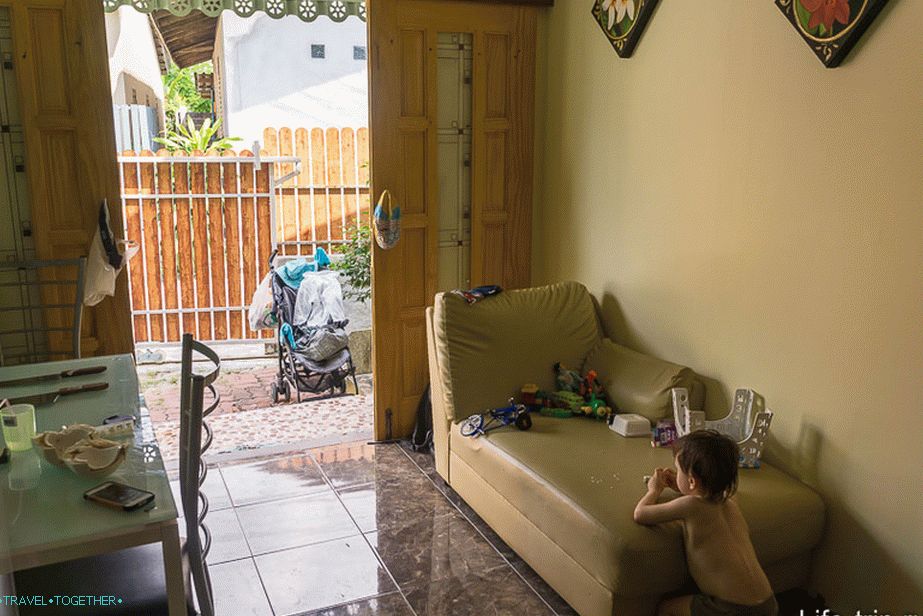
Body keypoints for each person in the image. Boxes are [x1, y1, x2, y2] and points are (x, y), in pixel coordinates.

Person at [634, 430, 777, 616]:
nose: (676, 474)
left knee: (666, 609)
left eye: (678, 470)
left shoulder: (691, 505)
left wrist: (654, 490)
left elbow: (641, 514)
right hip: (768, 604)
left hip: (732, 610)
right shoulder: (731, 503)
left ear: (692, 481)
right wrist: (685, 487)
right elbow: (723, 493)